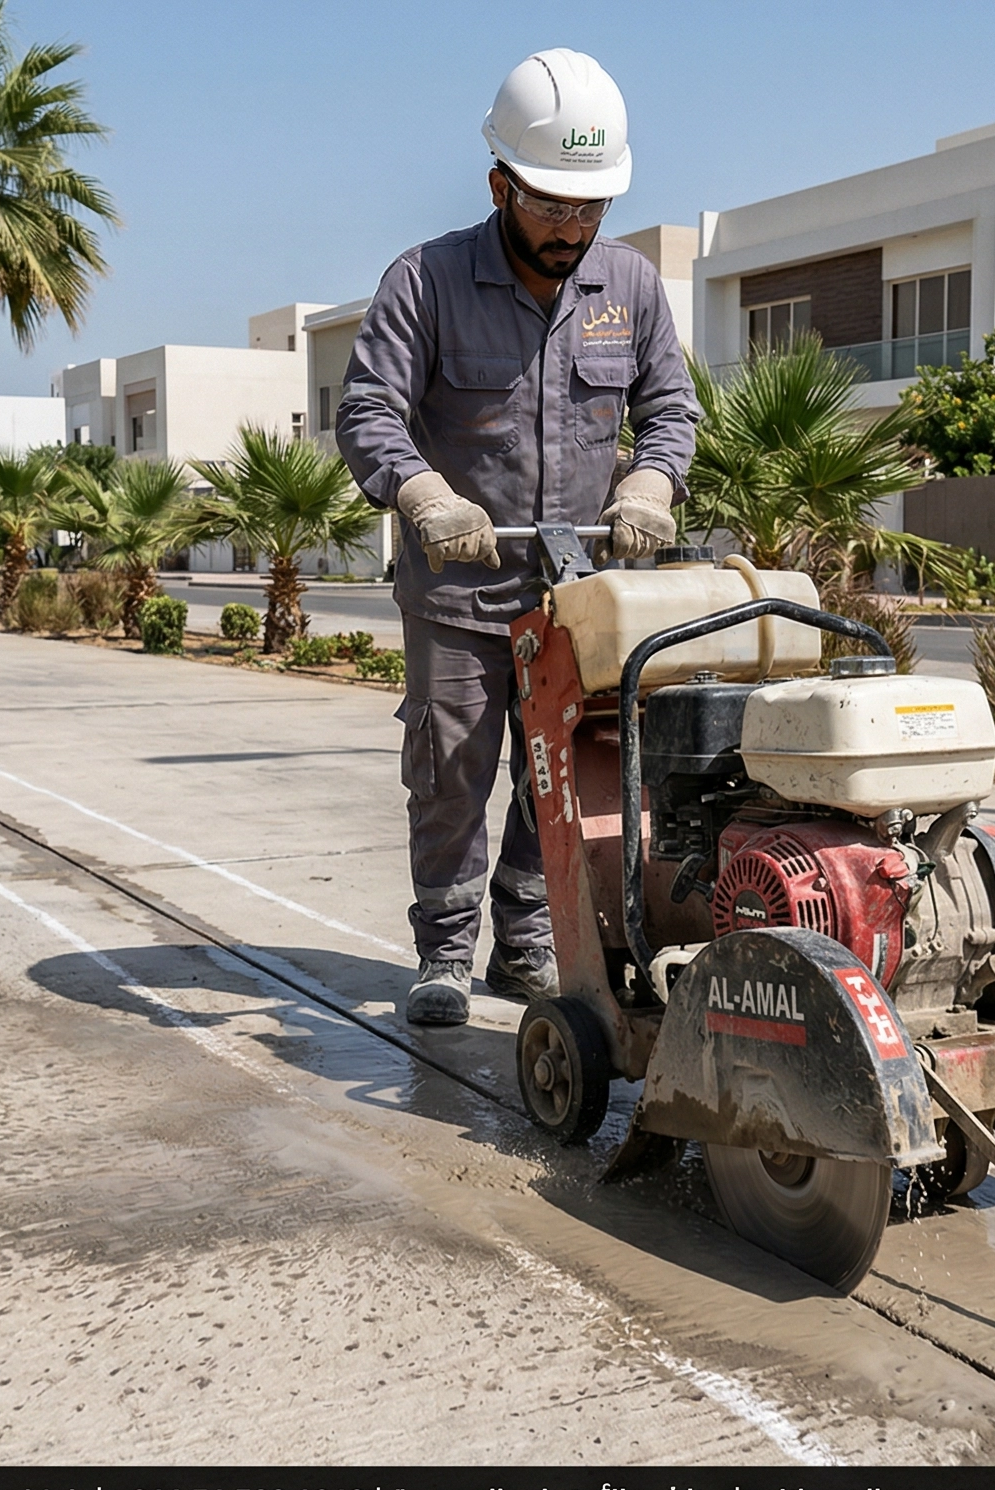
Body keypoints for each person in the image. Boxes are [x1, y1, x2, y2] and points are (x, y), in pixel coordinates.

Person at [336, 48, 699, 1027]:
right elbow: (367, 409)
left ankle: (527, 946)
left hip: (576, 592)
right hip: (456, 596)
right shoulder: (426, 281)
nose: (573, 230)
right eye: (551, 207)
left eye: (590, 209)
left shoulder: (628, 286)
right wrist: (421, 495)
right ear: (499, 183)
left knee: (564, 775)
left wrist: (650, 484)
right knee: (451, 774)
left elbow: (670, 411)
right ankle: (443, 955)